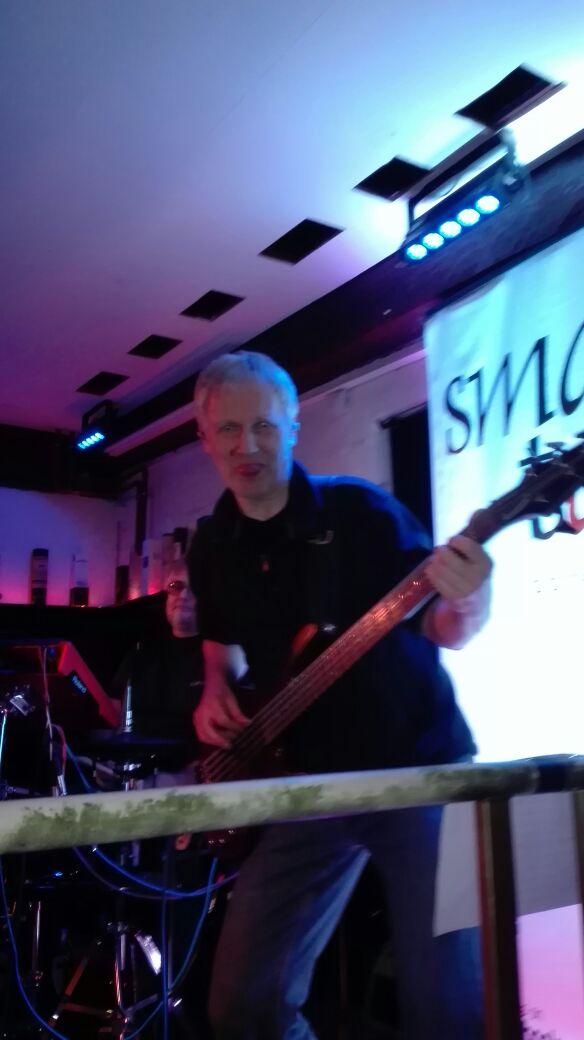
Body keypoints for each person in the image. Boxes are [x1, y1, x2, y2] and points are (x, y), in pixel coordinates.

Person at [187, 351, 492, 1040]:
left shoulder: (362, 513)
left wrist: (470, 598)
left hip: (420, 772)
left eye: (264, 426)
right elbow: (219, 638)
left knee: (448, 1007)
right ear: (204, 438)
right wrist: (215, 689)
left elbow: (444, 628)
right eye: (228, 429)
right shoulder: (211, 545)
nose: (247, 446)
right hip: (306, 783)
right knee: (242, 1004)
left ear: (293, 427)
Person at [113, 557, 204, 776]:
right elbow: (113, 707)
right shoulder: (142, 650)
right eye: (176, 586)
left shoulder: (219, 656)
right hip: (135, 770)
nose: (183, 595)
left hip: (193, 774)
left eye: (194, 588)